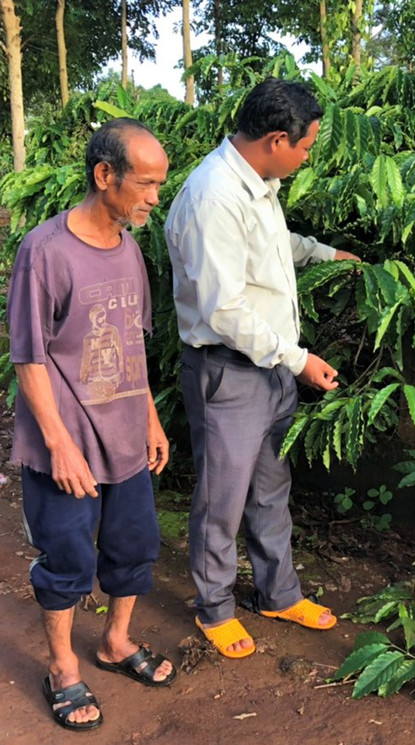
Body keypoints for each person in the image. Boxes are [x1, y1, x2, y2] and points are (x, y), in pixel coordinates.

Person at [165, 77, 360, 659]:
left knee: (272, 489)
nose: (307, 157)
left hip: (271, 364)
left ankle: (277, 593)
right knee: (221, 499)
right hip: (231, 369)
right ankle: (215, 607)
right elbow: (224, 310)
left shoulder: (259, 183)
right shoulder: (213, 196)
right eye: (305, 147)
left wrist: (324, 253)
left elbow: (273, 248)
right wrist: (299, 360)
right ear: (277, 139)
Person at [7, 118, 175, 732]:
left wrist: (151, 419)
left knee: (133, 550)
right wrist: (58, 443)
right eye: (147, 184)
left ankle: (116, 642)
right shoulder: (44, 252)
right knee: (68, 559)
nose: (156, 197)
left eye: (161, 183)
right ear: (105, 176)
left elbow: (133, 342)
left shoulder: (129, 248)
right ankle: (61, 667)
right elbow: (28, 357)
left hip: (127, 437)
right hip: (67, 445)